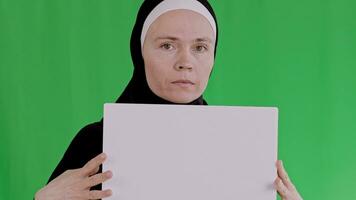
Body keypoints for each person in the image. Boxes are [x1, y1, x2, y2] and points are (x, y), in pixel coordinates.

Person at [35, 0, 303, 199]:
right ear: (140, 55)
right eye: (167, 45)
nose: (185, 62)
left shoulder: (242, 147)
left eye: (200, 47)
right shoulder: (94, 142)